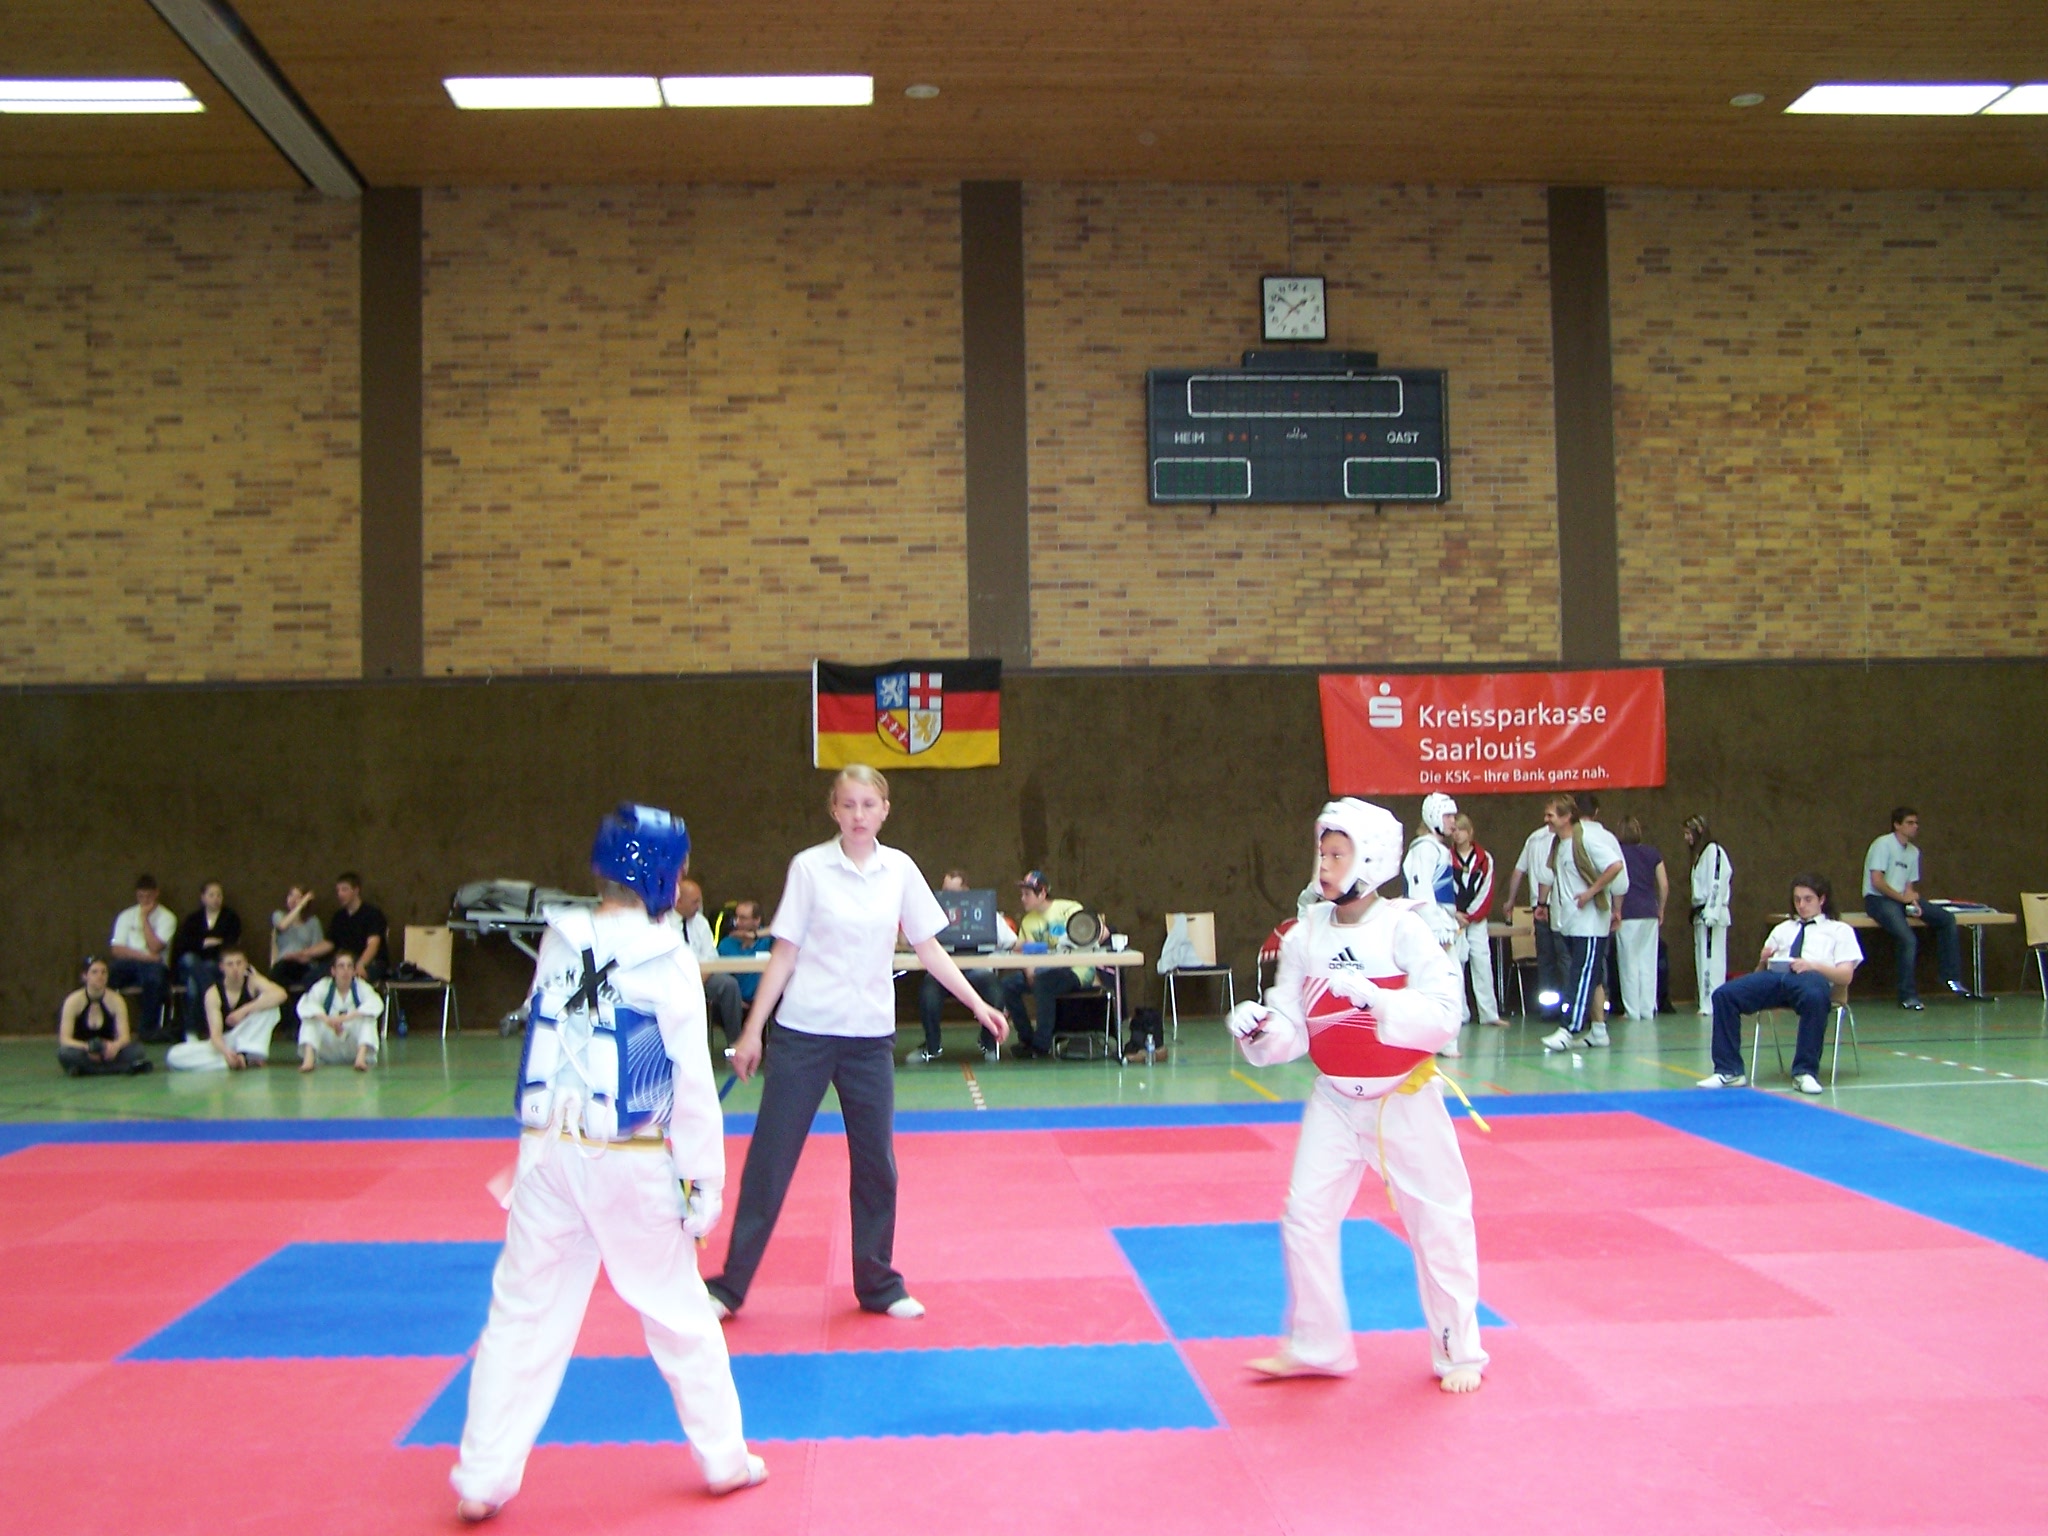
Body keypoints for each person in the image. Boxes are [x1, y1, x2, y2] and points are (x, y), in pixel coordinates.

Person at [451, 804, 763, 1521]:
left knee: (521, 1316)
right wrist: (705, 1183)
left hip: (546, 1155)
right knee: (679, 1315)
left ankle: (481, 1477)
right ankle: (724, 1459)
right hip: (627, 1158)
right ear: (665, 876)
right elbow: (691, 1086)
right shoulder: (667, 956)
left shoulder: (558, 939)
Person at [708, 764, 1011, 1321]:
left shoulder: (900, 870)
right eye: (848, 805)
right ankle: (729, 1287)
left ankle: (878, 1284)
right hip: (804, 1034)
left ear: (885, 810)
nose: (858, 815)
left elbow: (929, 949)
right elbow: (784, 953)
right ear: (833, 809)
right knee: (771, 1161)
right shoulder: (809, 868)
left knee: (876, 1165)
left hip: (869, 1039)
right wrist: (752, 1033)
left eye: (868, 805)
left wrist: (977, 1003)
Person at [1225, 798, 1484, 1393]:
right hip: (1337, 1101)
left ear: (1370, 858)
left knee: (1439, 1223)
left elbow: (1446, 1015)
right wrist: (1260, 1030)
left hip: (1405, 1098)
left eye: (1337, 854)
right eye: (1322, 853)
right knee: (1305, 1217)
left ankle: (1458, 1350)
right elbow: (1293, 1025)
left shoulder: (1405, 927)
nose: (1324, 865)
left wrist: (1380, 1000)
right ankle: (1317, 1344)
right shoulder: (1306, 934)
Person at [1699, 873, 1862, 1095]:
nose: (1801, 905)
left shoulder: (1839, 930)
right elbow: (1759, 975)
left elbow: (1845, 976)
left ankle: (1805, 1071)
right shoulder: (1783, 928)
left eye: (1808, 899)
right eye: (1797, 900)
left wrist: (1812, 965)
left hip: (1812, 978)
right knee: (1724, 995)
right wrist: (1763, 960)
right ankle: (1729, 1071)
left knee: (1815, 997)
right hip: (1776, 978)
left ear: (1822, 899)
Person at [1863, 806, 1981, 1008]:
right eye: (1910, 823)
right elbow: (1877, 881)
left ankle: (1950, 977)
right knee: (1908, 939)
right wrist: (1902, 899)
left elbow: (1908, 886)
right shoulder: (1882, 844)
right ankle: (1907, 996)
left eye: (1916, 823)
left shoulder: (1913, 852)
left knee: (1946, 919)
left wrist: (1912, 902)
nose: (1915, 826)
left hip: (1901, 900)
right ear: (1897, 825)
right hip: (1878, 900)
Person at [1536, 794, 1627, 1052]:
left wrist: (1591, 892)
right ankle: (1598, 1031)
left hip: (1589, 924)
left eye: (1551, 815)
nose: (1546, 820)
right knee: (1593, 978)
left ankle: (1568, 1029)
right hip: (1570, 922)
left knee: (1580, 977)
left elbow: (1615, 865)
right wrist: (1544, 905)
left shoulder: (1586, 839)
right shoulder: (1559, 844)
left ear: (1566, 817)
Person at [1000, 870, 1096, 1059]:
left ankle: (1041, 1045)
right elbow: (1025, 952)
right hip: (1042, 971)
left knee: (1044, 983)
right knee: (1007, 985)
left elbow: (1094, 931)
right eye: (1022, 894)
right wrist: (1030, 973)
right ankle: (1026, 1038)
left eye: (1027, 894)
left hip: (1077, 970)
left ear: (1042, 893)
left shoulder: (1069, 909)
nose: (1022, 899)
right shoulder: (1028, 921)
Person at [916, 871, 1009, 1063]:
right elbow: (912, 940)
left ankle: (988, 1042)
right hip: (942, 973)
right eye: (945, 891)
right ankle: (932, 1046)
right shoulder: (933, 914)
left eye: (954, 891)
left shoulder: (986, 912)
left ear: (966, 890)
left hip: (979, 972)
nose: (948, 895)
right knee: (928, 993)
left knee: (996, 992)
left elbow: (1012, 941)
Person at [1403, 794, 1466, 1053]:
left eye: (1453, 816)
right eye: (1447, 816)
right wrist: (1436, 927)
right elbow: (1420, 891)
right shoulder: (1425, 849)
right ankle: (1437, 1039)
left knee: (1445, 982)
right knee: (1444, 982)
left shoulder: (1437, 849)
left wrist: (1449, 918)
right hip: (1430, 927)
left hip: (1441, 922)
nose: (1453, 821)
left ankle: (1440, 1038)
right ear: (1433, 816)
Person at [168, 948, 285, 1071]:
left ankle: (247, 1054)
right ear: (222, 967)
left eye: (239, 963)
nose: (235, 968)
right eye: (230, 964)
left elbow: (280, 994)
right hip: (227, 1041)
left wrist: (244, 1010)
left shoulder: (253, 981)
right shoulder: (213, 993)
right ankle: (236, 1061)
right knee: (174, 1055)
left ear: (246, 965)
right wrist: (226, 1053)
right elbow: (216, 1036)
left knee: (271, 1008)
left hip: (248, 1036)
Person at [1499, 818, 1564, 1018]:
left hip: (1539, 904)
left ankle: (1549, 1009)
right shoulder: (1567, 838)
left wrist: (1510, 900)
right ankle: (1571, 1007)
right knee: (1566, 957)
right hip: (1562, 904)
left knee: (1545, 959)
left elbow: (1519, 871)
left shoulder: (1533, 839)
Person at [672, 878, 745, 1046]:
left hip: (703, 977)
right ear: (679, 901)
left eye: (700, 901)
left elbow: (711, 956)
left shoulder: (701, 922)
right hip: (674, 979)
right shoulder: (663, 923)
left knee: (729, 985)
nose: (698, 906)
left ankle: (735, 1044)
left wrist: (698, 980)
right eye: (694, 902)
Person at [107, 875, 177, 1043]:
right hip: (131, 963)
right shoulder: (125, 916)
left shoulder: (167, 917)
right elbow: (116, 949)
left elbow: (155, 947)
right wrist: (145, 957)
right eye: (141, 896)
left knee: (154, 980)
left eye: (148, 896)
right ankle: (106, 1027)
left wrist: (144, 918)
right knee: (105, 974)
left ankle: (147, 1030)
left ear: (156, 894)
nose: (145, 900)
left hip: (156, 966)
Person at [1448, 814, 1502, 1027]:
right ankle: (1460, 1013)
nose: (1458, 834)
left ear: (1470, 832)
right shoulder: (1445, 858)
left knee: (1482, 962)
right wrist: (1454, 913)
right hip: (1454, 918)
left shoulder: (1484, 859)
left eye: (1462, 829)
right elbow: (1442, 889)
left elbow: (1486, 890)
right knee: (1456, 964)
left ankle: (1489, 1014)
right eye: (1454, 830)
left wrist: (1470, 916)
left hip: (1476, 920)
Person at [171, 880, 242, 1037]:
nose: (216, 898)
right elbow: (183, 944)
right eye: (211, 895)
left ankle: (191, 1031)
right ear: (203, 897)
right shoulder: (193, 919)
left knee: (194, 982)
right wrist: (203, 943)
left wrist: (214, 945)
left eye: (219, 895)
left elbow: (230, 944)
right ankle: (207, 990)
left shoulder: (231, 918)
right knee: (190, 959)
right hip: (192, 963)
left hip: (215, 964)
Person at [58, 957, 152, 1076]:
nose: (100, 976)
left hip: (109, 1051)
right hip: (84, 1051)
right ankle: (120, 1068)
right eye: (94, 972)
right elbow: (65, 1039)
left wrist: (114, 1046)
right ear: (84, 976)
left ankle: (87, 1070)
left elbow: (125, 1037)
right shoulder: (73, 1001)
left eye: (104, 972)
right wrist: (87, 1047)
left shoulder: (116, 1000)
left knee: (137, 1051)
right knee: (64, 1053)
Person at [1614, 818, 1668, 1021]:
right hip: (1649, 913)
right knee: (1648, 963)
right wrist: (1660, 908)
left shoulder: (1617, 853)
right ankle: (1648, 1008)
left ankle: (1632, 1011)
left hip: (1627, 913)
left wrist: (1615, 909)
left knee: (1629, 964)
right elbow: (1663, 884)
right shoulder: (1652, 853)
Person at [296, 950, 383, 1072]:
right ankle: (308, 1061)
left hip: (352, 1045)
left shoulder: (362, 987)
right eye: (341, 966)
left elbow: (376, 1004)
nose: (345, 970)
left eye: (349, 966)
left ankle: (360, 1060)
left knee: (368, 1019)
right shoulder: (322, 986)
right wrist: (327, 1020)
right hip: (328, 1044)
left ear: (354, 971)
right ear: (333, 971)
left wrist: (346, 1018)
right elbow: (306, 1005)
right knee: (310, 1019)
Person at [1683, 816, 1733, 1015]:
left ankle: (1712, 1003)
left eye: (1688, 833)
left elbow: (1717, 881)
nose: (1687, 838)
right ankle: (1706, 1002)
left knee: (1712, 962)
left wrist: (1711, 912)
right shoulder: (1701, 855)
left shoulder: (1714, 851)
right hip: (1701, 914)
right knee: (1703, 961)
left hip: (1711, 914)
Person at [714, 899, 774, 1034]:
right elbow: (720, 976)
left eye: (743, 918)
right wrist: (736, 1000)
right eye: (736, 917)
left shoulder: (768, 941)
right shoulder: (726, 944)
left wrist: (755, 935)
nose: (737, 922)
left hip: (765, 1003)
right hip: (734, 1005)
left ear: (757, 920)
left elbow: (783, 929)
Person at [321, 873, 389, 981]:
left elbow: (373, 945)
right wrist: (304, 953)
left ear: (356, 890)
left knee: (353, 978)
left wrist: (361, 964)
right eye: (338, 891)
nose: (340, 894)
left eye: (344, 890)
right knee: (312, 976)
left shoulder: (372, 914)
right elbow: (330, 943)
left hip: (370, 961)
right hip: (346, 960)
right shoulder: (339, 917)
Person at [270, 886, 325, 989]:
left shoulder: (313, 922)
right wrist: (299, 906)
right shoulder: (278, 915)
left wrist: (300, 956)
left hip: (304, 963)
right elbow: (282, 926)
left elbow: (317, 948)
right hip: (284, 963)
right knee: (277, 975)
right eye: (291, 895)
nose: (293, 900)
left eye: (298, 897)